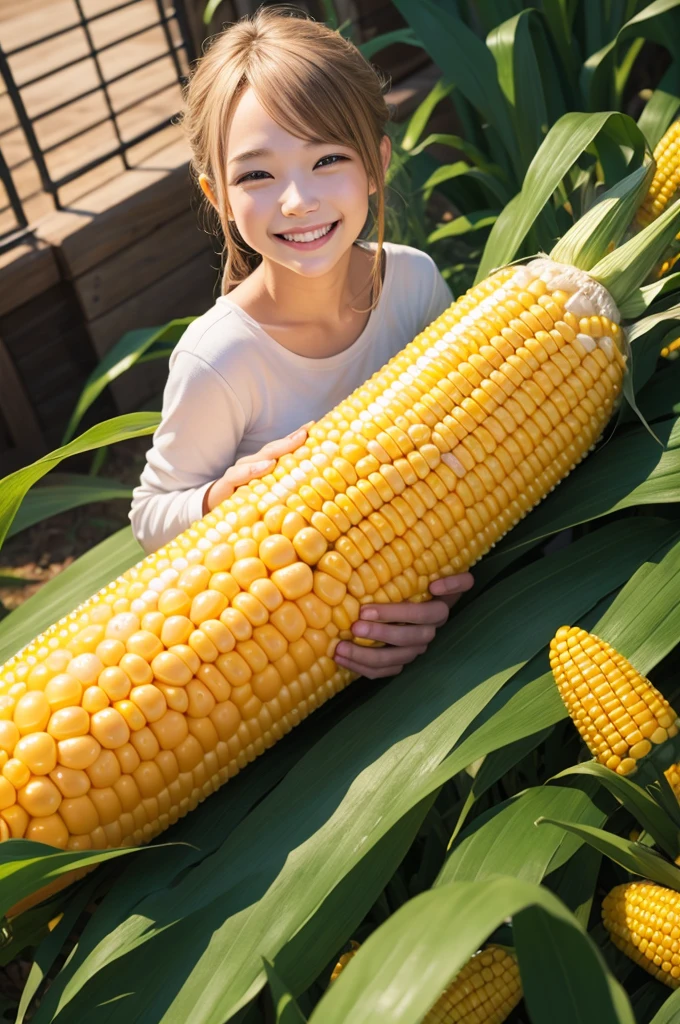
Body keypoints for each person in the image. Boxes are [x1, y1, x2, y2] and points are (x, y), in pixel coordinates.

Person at [130, 5, 474, 680]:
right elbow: (151, 516)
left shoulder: (414, 284)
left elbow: (462, 441)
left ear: (376, 164)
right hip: (311, 646)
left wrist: (451, 579)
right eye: (257, 174)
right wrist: (215, 500)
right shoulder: (221, 359)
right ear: (218, 195)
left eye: (327, 159)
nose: (297, 200)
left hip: (432, 596)